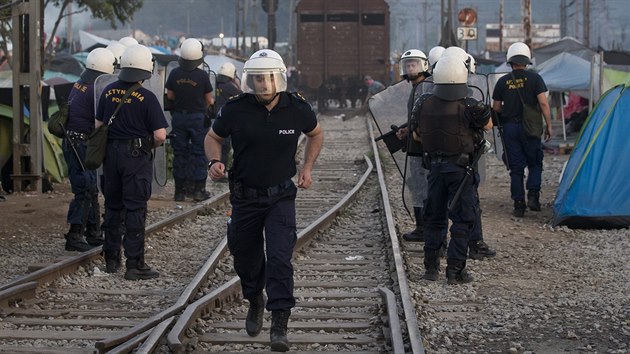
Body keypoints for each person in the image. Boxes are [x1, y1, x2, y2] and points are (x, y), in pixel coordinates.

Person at [204, 49, 323, 352]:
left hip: (280, 196)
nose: (263, 83)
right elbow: (212, 137)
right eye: (257, 78)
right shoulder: (235, 108)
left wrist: (307, 168)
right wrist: (214, 162)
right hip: (244, 197)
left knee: (281, 258)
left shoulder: (296, 108)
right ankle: (255, 298)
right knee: (244, 256)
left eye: (268, 77)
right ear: (250, 80)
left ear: (279, 78)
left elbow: (316, 134)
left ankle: (280, 322)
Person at [412, 56, 492, 284]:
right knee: (463, 218)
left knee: (434, 217)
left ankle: (430, 269)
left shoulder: (424, 103)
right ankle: (456, 271)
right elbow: (488, 125)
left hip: (434, 169)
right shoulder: (469, 106)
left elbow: (417, 135)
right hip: (461, 170)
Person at [96, 44, 169, 280]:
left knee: (113, 206)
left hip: (110, 156)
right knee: (135, 209)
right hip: (135, 157)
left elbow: (98, 126)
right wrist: (148, 145)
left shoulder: (107, 91)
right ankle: (134, 264)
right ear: (145, 69)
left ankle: (111, 259)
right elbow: (160, 135)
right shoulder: (147, 97)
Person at [62, 48, 116, 252]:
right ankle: (75, 234)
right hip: (80, 143)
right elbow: (100, 120)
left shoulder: (81, 83)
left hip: (74, 142)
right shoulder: (96, 88)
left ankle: (92, 232)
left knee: (90, 188)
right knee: (85, 188)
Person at [492, 42, 552, 217]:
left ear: (510, 61)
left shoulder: (503, 81)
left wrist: (509, 109)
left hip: (510, 128)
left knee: (516, 167)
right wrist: (548, 125)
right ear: (526, 61)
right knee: (534, 162)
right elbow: (543, 102)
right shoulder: (535, 78)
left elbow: (496, 108)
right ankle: (533, 195)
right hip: (530, 128)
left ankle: (519, 204)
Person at [166, 38, 215, 201]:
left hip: (179, 117)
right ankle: (198, 191)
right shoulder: (202, 75)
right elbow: (210, 100)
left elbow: (170, 95)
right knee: (199, 153)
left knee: (180, 152)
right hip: (197, 118)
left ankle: (179, 191)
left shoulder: (174, 73)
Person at [394, 49, 431, 242]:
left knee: (420, 187)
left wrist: (413, 131)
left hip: (422, 147)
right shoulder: (417, 88)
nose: (410, 68)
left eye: (414, 64)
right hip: (415, 145)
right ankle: (422, 226)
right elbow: (415, 117)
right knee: (417, 185)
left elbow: (426, 117)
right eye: (407, 65)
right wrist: (406, 128)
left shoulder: (426, 87)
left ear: (424, 65)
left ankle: (423, 228)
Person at [214, 61, 243, 172]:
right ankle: (222, 170)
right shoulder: (229, 87)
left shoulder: (216, 84)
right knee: (225, 147)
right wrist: (237, 83)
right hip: (227, 120)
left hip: (216, 118)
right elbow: (242, 96)